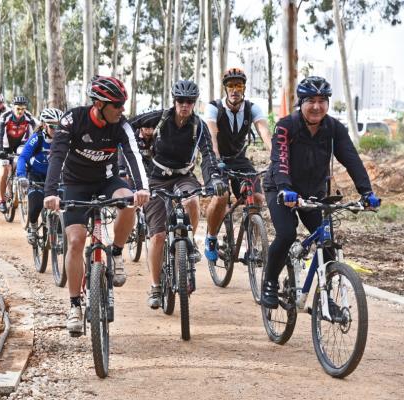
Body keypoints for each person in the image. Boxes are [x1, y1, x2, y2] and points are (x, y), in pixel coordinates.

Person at [261, 76, 381, 309]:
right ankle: (270, 282)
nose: (317, 106)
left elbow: (352, 160)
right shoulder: (287, 126)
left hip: (313, 194)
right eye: (311, 101)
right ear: (301, 102)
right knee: (286, 234)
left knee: (327, 244)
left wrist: (367, 193)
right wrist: (285, 189)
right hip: (280, 189)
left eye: (322, 101)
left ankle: (325, 299)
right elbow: (281, 160)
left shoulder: (334, 128)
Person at [43, 76, 150, 335]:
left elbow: (134, 154)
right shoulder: (73, 120)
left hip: (106, 181)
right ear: (99, 104)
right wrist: (50, 192)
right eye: (117, 105)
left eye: (123, 105)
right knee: (76, 241)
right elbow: (57, 155)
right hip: (75, 184)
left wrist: (142, 188)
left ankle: (115, 252)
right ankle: (75, 306)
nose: (122, 110)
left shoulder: (120, 125)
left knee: (128, 202)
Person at [129, 80, 227, 309]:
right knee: (158, 236)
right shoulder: (159, 118)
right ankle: (155, 287)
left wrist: (214, 179)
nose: (185, 106)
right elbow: (126, 126)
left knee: (192, 200)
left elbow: (208, 155)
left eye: (189, 102)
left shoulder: (198, 125)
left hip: (184, 175)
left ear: (194, 103)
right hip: (155, 177)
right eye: (181, 101)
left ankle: (189, 242)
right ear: (174, 101)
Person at [203, 67, 272, 262]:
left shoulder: (252, 108)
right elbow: (212, 134)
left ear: (244, 88)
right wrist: (215, 158)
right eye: (231, 85)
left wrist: (277, 158)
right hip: (216, 158)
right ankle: (211, 237)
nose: (235, 90)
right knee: (221, 196)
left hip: (239, 159)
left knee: (257, 197)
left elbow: (265, 134)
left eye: (239, 85)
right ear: (225, 88)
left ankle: (253, 246)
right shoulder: (214, 107)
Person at [16, 107, 64, 244]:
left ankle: (60, 234)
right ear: (43, 124)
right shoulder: (37, 138)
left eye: (59, 125)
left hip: (55, 177)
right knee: (36, 204)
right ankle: (32, 227)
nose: (56, 129)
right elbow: (23, 158)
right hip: (36, 176)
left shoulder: (63, 139)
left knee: (62, 203)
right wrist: (21, 176)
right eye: (52, 126)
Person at [0, 95, 36, 213]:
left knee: (19, 164)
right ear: (13, 108)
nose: (20, 111)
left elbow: (37, 130)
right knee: (4, 170)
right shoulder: (6, 116)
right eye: (18, 109)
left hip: (20, 144)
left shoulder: (28, 117)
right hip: (5, 145)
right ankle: (2, 201)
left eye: (23, 109)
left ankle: (18, 188)